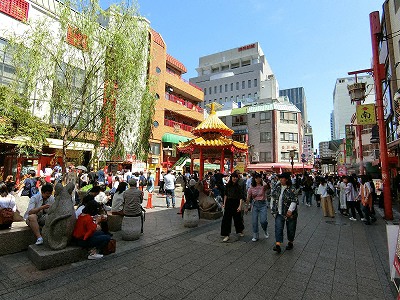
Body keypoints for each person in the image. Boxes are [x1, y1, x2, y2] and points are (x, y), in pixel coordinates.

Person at [271, 172, 298, 253]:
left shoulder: (292, 188)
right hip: (279, 212)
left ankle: (290, 242)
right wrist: (273, 209)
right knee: (278, 228)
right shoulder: (277, 187)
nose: (281, 180)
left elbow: (294, 200)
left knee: (291, 228)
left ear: (286, 179)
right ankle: (278, 244)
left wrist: (290, 210)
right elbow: (273, 197)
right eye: (280, 178)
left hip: (290, 213)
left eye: (282, 178)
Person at [245, 173, 269, 242]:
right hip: (255, 205)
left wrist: (263, 181)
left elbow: (267, 186)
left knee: (263, 221)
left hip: (263, 204)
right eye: (256, 178)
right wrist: (246, 207)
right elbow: (248, 198)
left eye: (259, 178)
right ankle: (255, 235)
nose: (258, 179)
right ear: (254, 179)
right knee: (254, 221)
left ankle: (265, 229)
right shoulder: (251, 187)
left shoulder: (263, 186)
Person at [221, 173, 244, 242]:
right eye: (234, 177)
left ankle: (240, 230)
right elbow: (225, 195)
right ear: (231, 178)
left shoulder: (239, 186)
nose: (235, 178)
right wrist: (224, 204)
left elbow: (241, 197)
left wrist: (240, 206)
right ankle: (226, 235)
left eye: (236, 177)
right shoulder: (227, 186)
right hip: (228, 203)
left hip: (236, 203)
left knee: (238, 218)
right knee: (226, 219)